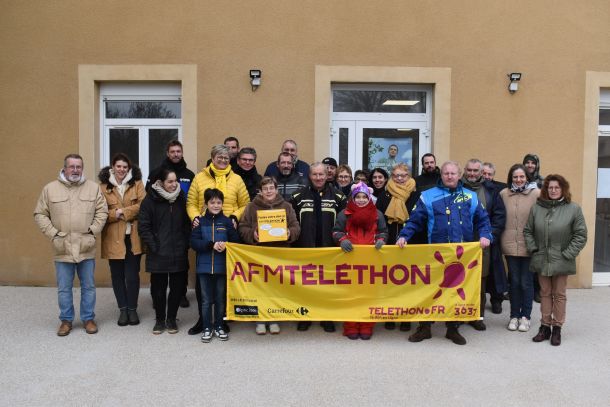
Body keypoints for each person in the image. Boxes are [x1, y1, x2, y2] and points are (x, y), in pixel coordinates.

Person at [397, 161, 492, 345]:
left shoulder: (470, 196)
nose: (449, 176)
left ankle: (452, 329)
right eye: (446, 173)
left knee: (455, 292)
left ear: (459, 175)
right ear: (441, 175)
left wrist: (485, 235)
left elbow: (483, 220)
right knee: (431, 291)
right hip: (436, 255)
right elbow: (415, 220)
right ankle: (424, 328)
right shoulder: (427, 196)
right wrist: (404, 236)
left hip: (462, 255)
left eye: (453, 173)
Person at [34, 153, 108, 336]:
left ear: (82, 168)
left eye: (78, 167)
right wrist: (53, 234)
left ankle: (88, 319)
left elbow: (102, 211)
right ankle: (66, 321)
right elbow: (40, 214)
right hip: (63, 247)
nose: (75, 170)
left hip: (86, 246)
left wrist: (93, 231)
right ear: (65, 168)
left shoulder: (93, 188)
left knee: (88, 286)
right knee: (64, 288)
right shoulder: (50, 189)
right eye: (72, 166)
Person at [186, 144, 250, 334]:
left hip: (226, 229)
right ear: (212, 158)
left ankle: (222, 319)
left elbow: (245, 204)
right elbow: (191, 203)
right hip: (204, 228)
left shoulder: (237, 179)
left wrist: (235, 216)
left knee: (224, 281)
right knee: (203, 282)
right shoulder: (200, 177)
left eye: (226, 158)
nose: (223, 160)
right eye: (219, 157)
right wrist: (195, 217)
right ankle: (203, 319)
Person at [525, 175, 587, 346]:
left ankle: (557, 328)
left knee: (559, 294)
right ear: (546, 189)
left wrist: (568, 254)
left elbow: (580, 235)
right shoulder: (537, 208)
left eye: (557, 187)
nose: (553, 190)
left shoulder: (573, 209)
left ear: (563, 189)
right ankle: (545, 327)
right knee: (545, 293)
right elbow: (528, 231)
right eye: (550, 187)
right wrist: (534, 249)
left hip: (562, 259)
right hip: (542, 258)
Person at [238, 177, 301, 335]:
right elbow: (242, 227)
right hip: (258, 255)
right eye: (265, 189)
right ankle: (260, 319)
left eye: (271, 188)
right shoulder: (251, 207)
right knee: (260, 288)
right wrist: (253, 234)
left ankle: (273, 318)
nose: (268, 191)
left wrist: (289, 233)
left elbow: (296, 226)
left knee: (276, 288)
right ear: (260, 191)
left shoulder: (286, 206)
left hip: (279, 254)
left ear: (276, 189)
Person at [291, 162, 347, 332]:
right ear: (309, 176)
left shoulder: (338, 197)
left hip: (329, 249)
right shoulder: (297, 196)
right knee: (305, 285)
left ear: (327, 175)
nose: (318, 178)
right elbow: (291, 222)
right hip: (305, 248)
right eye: (314, 174)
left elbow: (345, 223)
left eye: (321, 174)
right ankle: (305, 316)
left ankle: (326, 317)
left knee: (327, 285)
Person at [332, 182, 388, 340]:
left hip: (371, 261)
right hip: (349, 260)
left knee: (368, 294)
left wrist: (381, 240)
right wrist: (342, 240)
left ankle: (366, 325)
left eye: (364, 197)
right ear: (353, 198)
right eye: (358, 197)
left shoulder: (377, 214)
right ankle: (350, 326)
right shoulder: (344, 213)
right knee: (350, 295)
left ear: (369, 198)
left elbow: (383, 231)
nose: (361, 200)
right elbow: (336, 231)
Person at [139, 169, 191, 335]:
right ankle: (160, 320)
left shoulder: (181, 198)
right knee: (158, 290)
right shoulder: (150, 200)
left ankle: (171, 319)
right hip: (158, 252)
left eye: (175, 181)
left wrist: (185, 243)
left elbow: (187, 224)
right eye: (170, 181)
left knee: (177, 289)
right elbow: (144, 226)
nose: (174, 184)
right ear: (161, 183)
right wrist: (154, 246)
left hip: (178, 251)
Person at [146, 140, 195, 309]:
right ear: (167, 153)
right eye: (172, 151)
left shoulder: (189, 174)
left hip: (181, 225)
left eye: (178, 151)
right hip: (161, 226)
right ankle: (157, 298)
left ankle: (180, 295)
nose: (175, 154)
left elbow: (193, 199)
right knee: (158, 270)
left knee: (181, 266)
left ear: (182, 153)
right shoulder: (156, 172)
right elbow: (149, 195)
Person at [98, 153, 145, 326]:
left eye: (125, 167)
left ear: (129, 168)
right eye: (118, 166)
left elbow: (143, 205)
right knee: (117, 276)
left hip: (133, 237)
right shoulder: (103, 187)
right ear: (113, 167)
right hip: (113, 238)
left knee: (132, 276)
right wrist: (114, 214)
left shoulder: (137, 184)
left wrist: (122, 212)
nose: (122, 170)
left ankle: (132, 309)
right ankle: (123, 310)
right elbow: (100, 211)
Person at [461, 159, 506, 330]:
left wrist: (489, 236)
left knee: (480, 281)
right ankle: (458, 315)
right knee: (459, 280)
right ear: (465, 170)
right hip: (460, 244)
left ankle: (477, 316)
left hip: (482, 245)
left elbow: (499, 217)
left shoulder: (491, 191)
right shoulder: (456, 188)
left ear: (481, 172)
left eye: (475, 171)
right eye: (469, 170)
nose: (472, 173)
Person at [191, 188, 240, 343]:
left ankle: (219, 326)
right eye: (212, 202)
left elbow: (236, 241)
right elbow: (194, 242)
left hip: (222, 267)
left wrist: (226, 245)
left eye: (219, 202)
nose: (216, 205)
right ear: (206, 204)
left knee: (220, 299)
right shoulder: (199, 222)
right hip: (203, 268)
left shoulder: (227, 222)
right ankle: (207, 327)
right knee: (206, 300)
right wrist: (210, 245)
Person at [500, 164, 540, 332]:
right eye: (515, 177)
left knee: (526, 282)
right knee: (514, 282)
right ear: (511, 178)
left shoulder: (536, 193)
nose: (518, 180)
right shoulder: (504, 194)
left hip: (529, 245)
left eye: (522, 176)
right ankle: (514, 316)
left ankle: (526, 317)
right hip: (509, 244)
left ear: (527, 178)